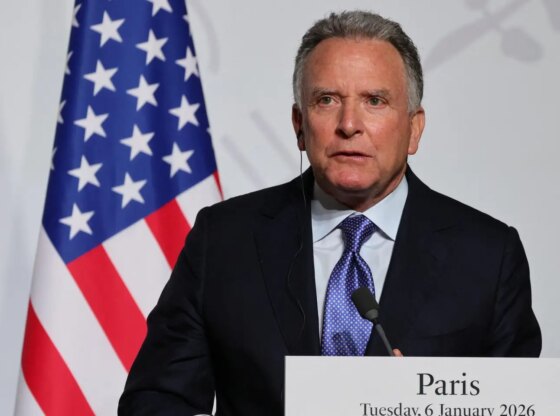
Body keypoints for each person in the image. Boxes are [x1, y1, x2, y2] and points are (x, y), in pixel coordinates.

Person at [118, 10, 541, 416]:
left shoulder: (489, 256)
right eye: (327, 100)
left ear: (414, 129)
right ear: (299, 125)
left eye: (375, 100)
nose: (349, 124)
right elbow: (154, 403)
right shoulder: (224, 240)